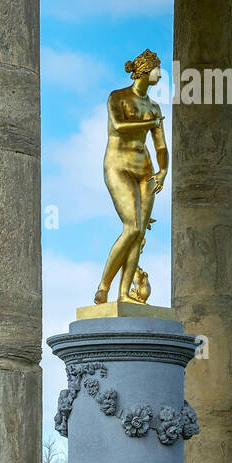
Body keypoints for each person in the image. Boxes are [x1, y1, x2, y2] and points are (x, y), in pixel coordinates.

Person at [95, 48, 167, 304]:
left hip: (145, 171)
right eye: (158, 68)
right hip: (118, 166)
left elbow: (160, 146)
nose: (161, 73)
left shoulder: (155, 107)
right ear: (146, 71)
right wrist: (149, 124)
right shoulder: (118, 97)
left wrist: (164, 171)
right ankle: (103, 287)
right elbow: (119, 126)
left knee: (139, 235)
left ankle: (124, 294)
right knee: (133, 227)